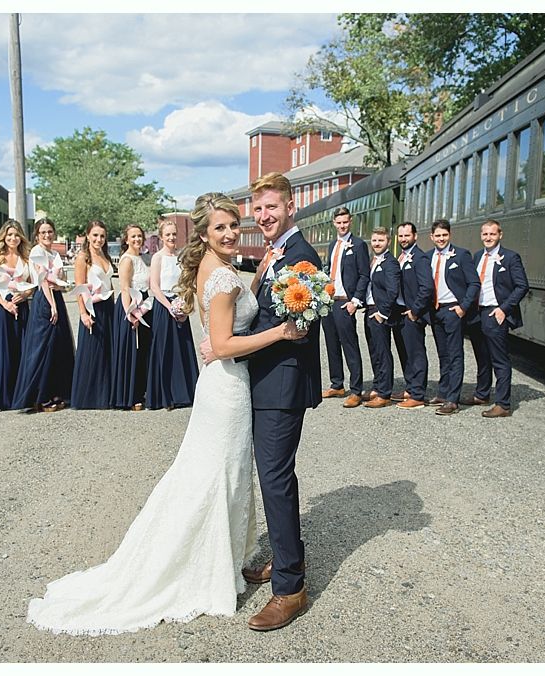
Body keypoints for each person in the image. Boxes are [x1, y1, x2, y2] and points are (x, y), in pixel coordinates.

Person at [26, 193, 306, 636]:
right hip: (228, 387)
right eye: (221, 228)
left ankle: (221, 559)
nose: (231, 233)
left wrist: (259, 279)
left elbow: (232, 314)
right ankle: (199, 568)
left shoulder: (217, 271)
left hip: (226, 388)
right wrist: (280, 331)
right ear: (205, 234)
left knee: (220, 474)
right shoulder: (221, 277)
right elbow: (225, 344)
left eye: (235, 225)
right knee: (214, 477)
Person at [229, 171, 322, 631]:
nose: (264, 215)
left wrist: (229, 341)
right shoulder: (274, 254)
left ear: (290, 207)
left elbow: (297, 331)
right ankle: (284, 561)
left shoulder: (301, 258)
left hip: (281, 386)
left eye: (272, 207)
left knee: (276, 479)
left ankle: (291, 587)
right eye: (258, 208)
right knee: (271, 478)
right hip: (264, 382)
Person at [465, 219, 529, 417]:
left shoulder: (510, 257)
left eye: (492, 234)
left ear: (500, 235)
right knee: (481, 357)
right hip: (477, 313)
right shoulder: (477, 257)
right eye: (485, 234)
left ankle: (503, 404)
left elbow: (522, 285)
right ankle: (482, 394)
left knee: (499, 359)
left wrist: (504, 309)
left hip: (495, 312)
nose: (488, 238)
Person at [415, 220, 480, 415]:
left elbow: (474, 283)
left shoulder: (461, 255)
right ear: (432, 237)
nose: (441, 239)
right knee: (443, 354)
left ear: (449, 235)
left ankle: (453, 399)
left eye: (444, 235)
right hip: (435, 312)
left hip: (453, 311)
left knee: (455, 354)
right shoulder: (427, 257)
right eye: (438, 236)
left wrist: (463, 307)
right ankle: (443, 392)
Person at [12, 217, 75, 413]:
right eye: (43, 232)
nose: (47, 235)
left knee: (58, 346)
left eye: (50, 232)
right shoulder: (37, 252)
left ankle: (57, 390)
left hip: (56, 298)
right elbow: (43, 281)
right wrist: (52, 305)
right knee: (43, 347)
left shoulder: (54, 253)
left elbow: (60, 278)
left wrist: (60, 286)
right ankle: (40, 395)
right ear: (37, 235)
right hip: (44, 301)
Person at [146, 219, 200, 410]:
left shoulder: (180, 257)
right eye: (167, 234)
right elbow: (154, 285)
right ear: (161, 237)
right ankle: (165, 395)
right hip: (163, 306)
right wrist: (169, 307)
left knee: (182, 349)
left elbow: (185, 283)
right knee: (164, 349)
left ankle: (184, 392)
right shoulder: (157, 258)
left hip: (179, 304)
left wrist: (184, 305)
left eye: (174, 234)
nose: (171, 237)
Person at [0, 219, 33, 410]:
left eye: (16, 235)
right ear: (4, 237)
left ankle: (19, 396)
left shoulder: (26, 258)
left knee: (20, 350)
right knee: (2, 352)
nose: (13, 238)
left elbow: (33, 285)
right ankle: (1, 397)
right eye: (9, 235)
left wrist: (25, 294)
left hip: (21, 307)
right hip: (0, 308)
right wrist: (4, 303)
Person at [320, 207, 370, 408]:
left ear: (351, 222)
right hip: (329, 302)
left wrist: (355, 301)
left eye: (345, 222)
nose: (342, 225)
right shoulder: (333, 245)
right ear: (334, 223)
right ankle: (337, 384)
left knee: (349, 346)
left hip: (345, 303)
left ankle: (356, 390)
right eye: (338, 222)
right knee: (331, 344)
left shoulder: (358, 245)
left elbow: (364, 275)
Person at [70, 220, 116, 410]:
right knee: (92, 351)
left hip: (108, 308)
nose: (99, 239)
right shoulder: (83, 258)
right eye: (95, 235)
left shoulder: (106, 256)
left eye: (102, 236)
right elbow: (80, 287)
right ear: (88, 235)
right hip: (92, 307)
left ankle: (106, 395)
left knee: (108, 350)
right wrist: (83, 312)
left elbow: (110, 284)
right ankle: (88, 397)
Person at [111, 225, 152, 411]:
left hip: (144, 305)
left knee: (143, 351)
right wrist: (130, 314)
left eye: (139, 236)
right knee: (132, 352)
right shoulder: (127, 260)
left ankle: (141, 390)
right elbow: (125, 288)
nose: (137, 239)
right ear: (126, 240)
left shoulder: (142, 258)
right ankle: (130, 394)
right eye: (133, 236)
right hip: (131, 306)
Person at [361, 227, 401, 409]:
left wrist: (382, 314)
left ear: (388, 242)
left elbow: (393, 290)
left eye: (381, 241)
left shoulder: (390, 263)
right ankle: (377, 386)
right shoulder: (372, 260)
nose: (377, 244)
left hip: (379, 312)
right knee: (374, 351)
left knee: (383, 352)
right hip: (369, 310)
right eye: (375, 240)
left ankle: (385, 393)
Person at [393, 222, 430, 410]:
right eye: (400, 236)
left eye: (407, 236)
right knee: (404, 353)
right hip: (400, 312)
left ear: (415, 236)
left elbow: (426, 287)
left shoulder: (419, 258)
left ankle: (418, 395)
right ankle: (410, 387)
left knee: (416, 354)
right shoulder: (401, 256)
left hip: (412, 314)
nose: (403, 239)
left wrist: (415, 311)